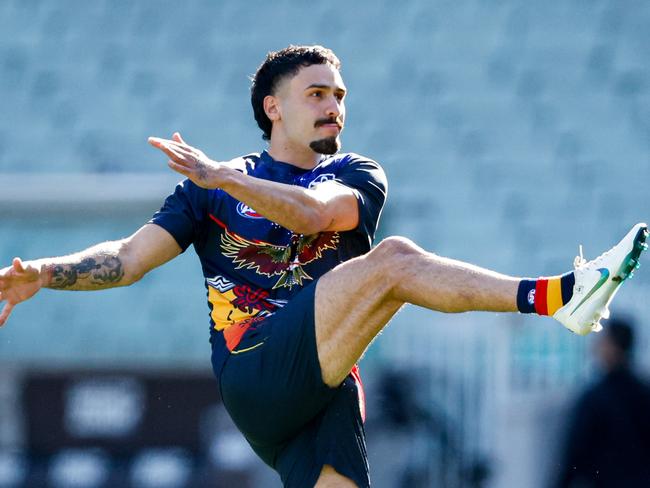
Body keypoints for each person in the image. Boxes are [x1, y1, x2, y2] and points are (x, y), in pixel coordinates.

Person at [0, 45, 647, 487]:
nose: (332, 103)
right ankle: (560, 296)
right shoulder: (208, 189)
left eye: (338, 94)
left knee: (386, 264)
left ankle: (564, 299)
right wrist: (46, 272)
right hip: (253, 369)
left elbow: (313, 215)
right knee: (392, 261)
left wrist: (226, 176)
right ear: (272, 107)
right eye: (315, 92)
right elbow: (128, 258)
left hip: (325, 385)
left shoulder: (356, 174)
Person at [554, 316, 650, 488]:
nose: (597, 346)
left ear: (614, 348)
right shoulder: (643, 391)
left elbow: (575, 453)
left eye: (602, 340)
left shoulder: (596, 397)